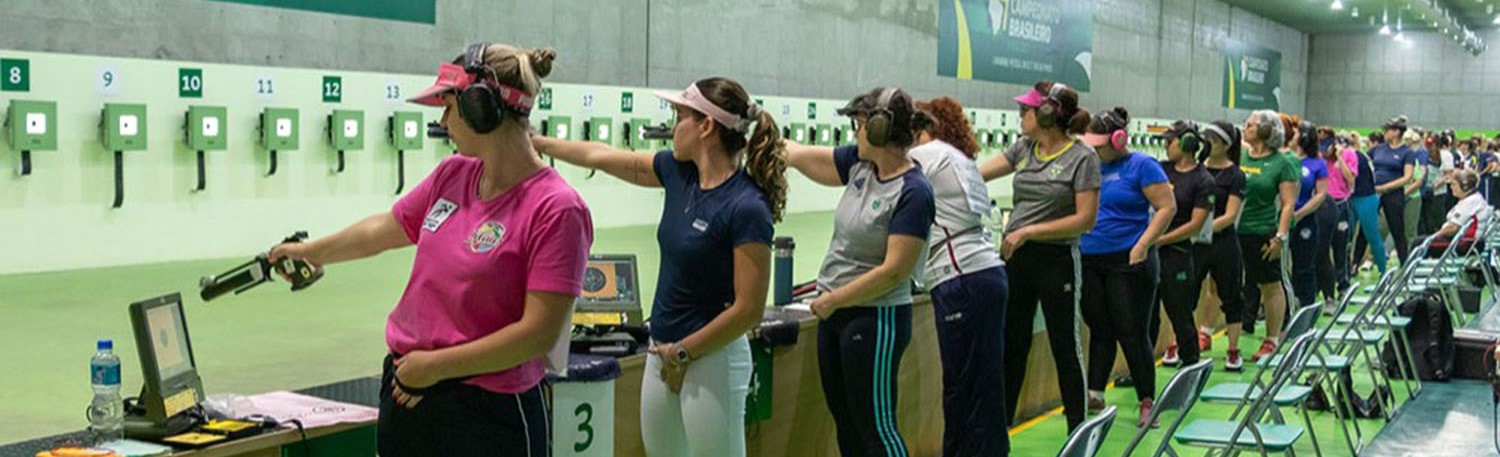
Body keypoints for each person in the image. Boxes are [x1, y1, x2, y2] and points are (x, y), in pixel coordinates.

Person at [270, 43, 589, 456]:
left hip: (488, 410)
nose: (442, 121)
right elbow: (383, 229)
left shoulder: (557, 208)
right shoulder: (453, 175)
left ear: (480, 107)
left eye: (449, 107)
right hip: (410, 389)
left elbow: (537, 334)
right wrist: (311, 251)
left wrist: (435, 367)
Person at [534, 77, 784, 457]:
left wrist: (684, 352)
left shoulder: (747, 206)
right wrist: (537, 143)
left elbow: (748, 310)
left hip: (711, 359)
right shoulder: (678, 174)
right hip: (661, 352)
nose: (672, 126)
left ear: (706, 127)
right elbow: (601, 156)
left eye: (678, 115)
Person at [787, 87, 935, 456]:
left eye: (860, 123)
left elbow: (893, 272)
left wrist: (834, 299)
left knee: (876, 426)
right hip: (837, 313)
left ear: (881, 127)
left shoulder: (913, 191)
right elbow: (812, 159)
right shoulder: (861, 166)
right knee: (846, 420)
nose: (854, 131)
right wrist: (774, 142)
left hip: (875, 318)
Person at [978, 80, 1100, 431]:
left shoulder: (1082, 158)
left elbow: (1085, 219)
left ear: (1047, 113)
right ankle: (999, 430)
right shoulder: (1024, 148)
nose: (1020, 115)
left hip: (1056, 260)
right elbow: (978, 174)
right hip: (1017, 259)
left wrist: (1029, 230)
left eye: (1026, 110)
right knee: (1011, 344)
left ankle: (1078, 428)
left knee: (1065, 344)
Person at [909, 97, 1011, 455]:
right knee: (983, 385)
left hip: (961, 278)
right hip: (984, 273)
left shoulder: (928, 153)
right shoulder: (959, 159)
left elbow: (877, 168)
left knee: (962, 388)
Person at [1075, 107, 1174, 427]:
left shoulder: (1142, 166)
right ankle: (1094, 392)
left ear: (1119, 140)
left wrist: (1143, 243)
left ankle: (1147, 399)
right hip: (1090, 259)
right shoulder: (1090, 165)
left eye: (1100, 146)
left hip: (1129, 259)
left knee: (1132, 332)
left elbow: (1166, 207)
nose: (1095, 151)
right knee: (1100, 329)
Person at [1239, 110, 1300, 362]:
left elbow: (1287, 204)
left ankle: (1272, 338)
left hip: (1263, 231)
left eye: (1250, 125)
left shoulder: (1282, 163)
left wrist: (1280, 237)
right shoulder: (1241, 155)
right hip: (1235, 230)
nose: (1245, 128)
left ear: (1265, 131)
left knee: (1269, 285)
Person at [1154, 120, 1215, 370]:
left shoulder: (1203, 180)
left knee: (1179, 312)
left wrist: (1159, 240)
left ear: (1188, 143)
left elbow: (1196, 225)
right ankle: (1142, 366)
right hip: (1153, 250)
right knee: (1147, 316)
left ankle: (1190, 363)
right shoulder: (1160, 169)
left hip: (1177, 253)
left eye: (1171, 141)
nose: (1167, 146)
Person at [1193, 120, 1249, 371]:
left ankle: (1233, 349)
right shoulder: (1197, 170)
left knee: (1231, 295)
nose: (1209, 143)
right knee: (1184, 294)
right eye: (1208, 138)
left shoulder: (1235, 175)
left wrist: (1201, 228)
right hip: (1196, 244)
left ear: (1226, 145)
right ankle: (1182, 343)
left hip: (1223, 243)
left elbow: (1230, 215)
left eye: (1215, 139)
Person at [1357, 117, 1417, 265]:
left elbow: (1407, 177)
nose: (1384, 133)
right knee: (1365, 228)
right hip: (1374, 193)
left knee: (1397, 230)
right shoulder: (1378, 149)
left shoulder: (1406, 152)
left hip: (1393, 194)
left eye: (1387, 130)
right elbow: (1363, 163)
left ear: (1397, 132)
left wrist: (1385, 188)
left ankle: (1404, 264)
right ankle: (1354, 264)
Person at [1290, 120, 1329, 308]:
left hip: (1305, 219)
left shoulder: (1317, 164)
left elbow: (1320, 194)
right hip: (1282, 218)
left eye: (1296, 133)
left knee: (1304, 265)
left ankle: (1306, 305)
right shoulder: (1286, 159)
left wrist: (1299, 214)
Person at [1321, 130, 1359, 295]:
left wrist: (1340, 158)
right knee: (1322, 247)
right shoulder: (1319, 157)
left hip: (1341, 203)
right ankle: (1323, 286)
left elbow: (1350, 179)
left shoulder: (1349, 154)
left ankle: (1342, 283)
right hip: (1322, 203)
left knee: (1340, 246)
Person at [1347, 131, 1389, 276]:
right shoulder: (1361, 155)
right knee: (1349, 238)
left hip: (1365, 197)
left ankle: (1383, 271)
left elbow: (1351, 178)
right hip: (1356, 197)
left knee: (1372, 235)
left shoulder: (1358, 156)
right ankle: (1351, 267)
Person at [1426, 169, 1490, 256]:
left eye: (1454, 184)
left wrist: (1435, 235)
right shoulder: (1471, 199)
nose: (1451, 187)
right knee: (1424, 240)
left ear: (1465, 187)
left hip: (1467, 243)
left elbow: (1452, 228)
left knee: (1420, 243)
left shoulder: (1471, 202)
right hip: (1466, 242)